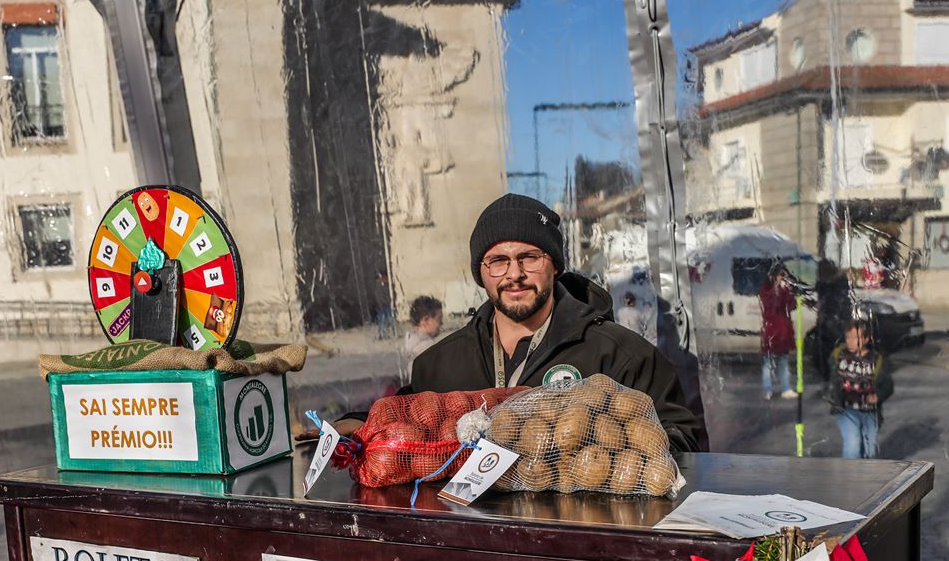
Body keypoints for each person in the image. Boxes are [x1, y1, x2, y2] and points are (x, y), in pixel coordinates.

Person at [339, 194, 700, 451]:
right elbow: (412, 417)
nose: (515, 274)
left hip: (579, 545)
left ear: (555, 265)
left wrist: (604, 444)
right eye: (497, 261)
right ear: (481, 274)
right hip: (466, 545)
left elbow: (687, 438)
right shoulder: (440, 364)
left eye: (529, 257)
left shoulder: (621, 356)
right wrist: (359, 423)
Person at [825, 318, 893, 459]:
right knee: (853, 444)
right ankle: (850, 478)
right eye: (847, 337)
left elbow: (888, 385)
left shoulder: (876, 360)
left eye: (855, 337)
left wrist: (878, 396)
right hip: (847, 409)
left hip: (870, 412)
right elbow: (831, 378)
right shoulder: (839, 356)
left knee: (870, 451)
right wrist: (833, 394)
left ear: (866, 338)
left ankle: (864, 476)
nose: (850, 341)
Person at [759, 263, 798, 401]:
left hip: (783, 330)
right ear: (774, 276)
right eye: (781, 275)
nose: (783, 278)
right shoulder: (766, 289)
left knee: (783, 360)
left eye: (784, 276)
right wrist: (776, 290)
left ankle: (786, 388)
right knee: (768, 362)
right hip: (771, 330)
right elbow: (769, 306)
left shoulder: (785, 290)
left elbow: (792, 305)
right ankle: (767, 389)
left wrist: (787, 290)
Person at [404, 296, 443, 362]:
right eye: (439, 319)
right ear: (426, 320)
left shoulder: (411, 340)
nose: (442, 323)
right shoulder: (428, 347)